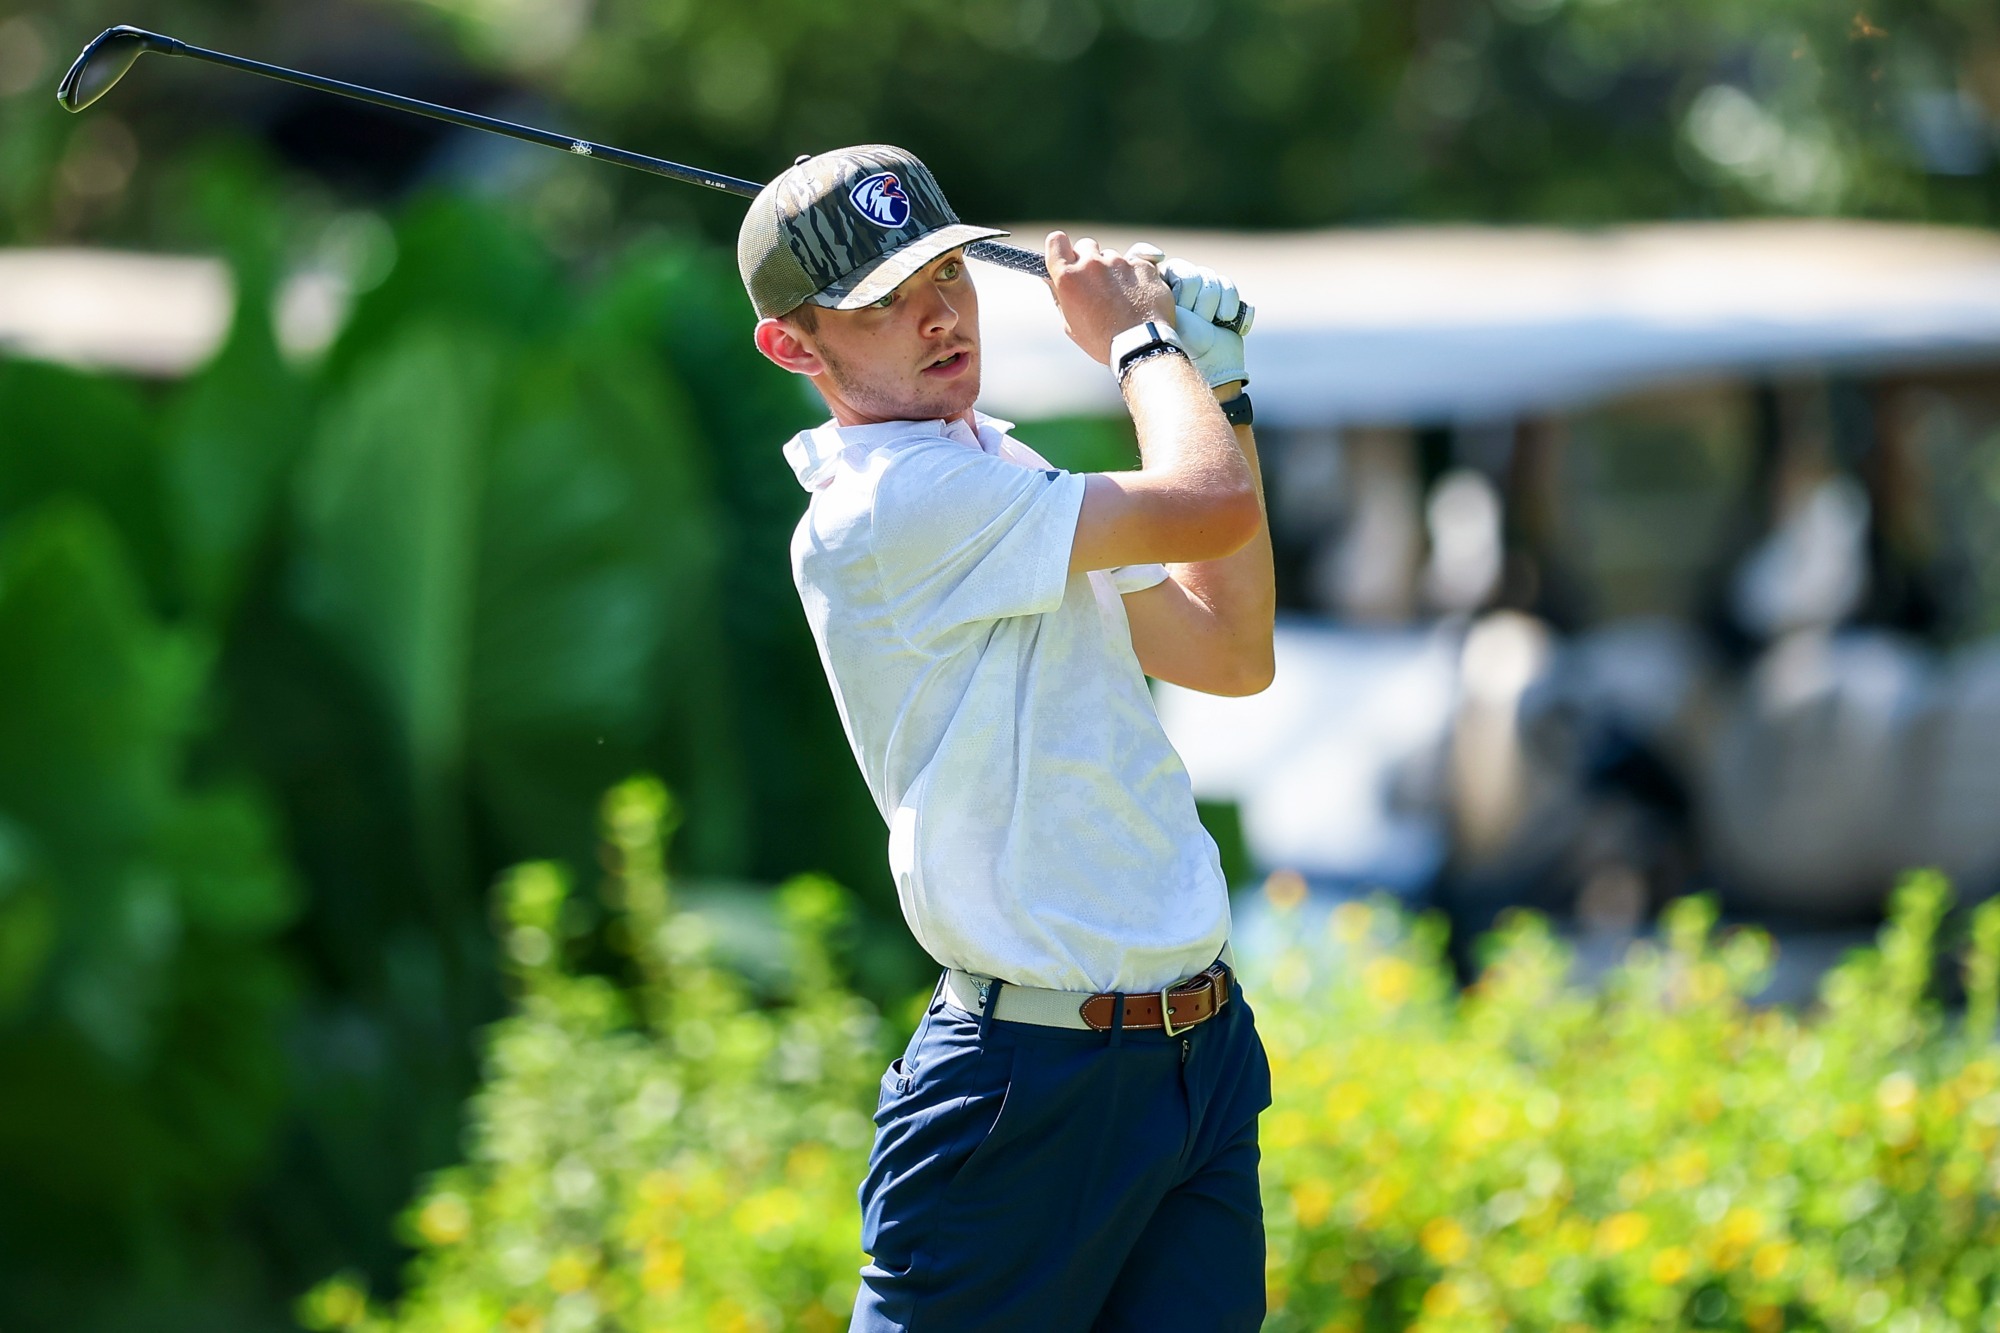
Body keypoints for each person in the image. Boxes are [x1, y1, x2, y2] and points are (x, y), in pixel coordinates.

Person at [740, 144, 1275, 1333]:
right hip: (1024, 1089)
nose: (935, 319)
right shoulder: (884, 509)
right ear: (795, 346)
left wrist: (1219, 393)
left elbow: (1226, 648)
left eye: (945, 277)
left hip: (1193, 1055)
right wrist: (1143, 344)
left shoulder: (1000, 468)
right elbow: (1211, 504)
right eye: (883, 303)